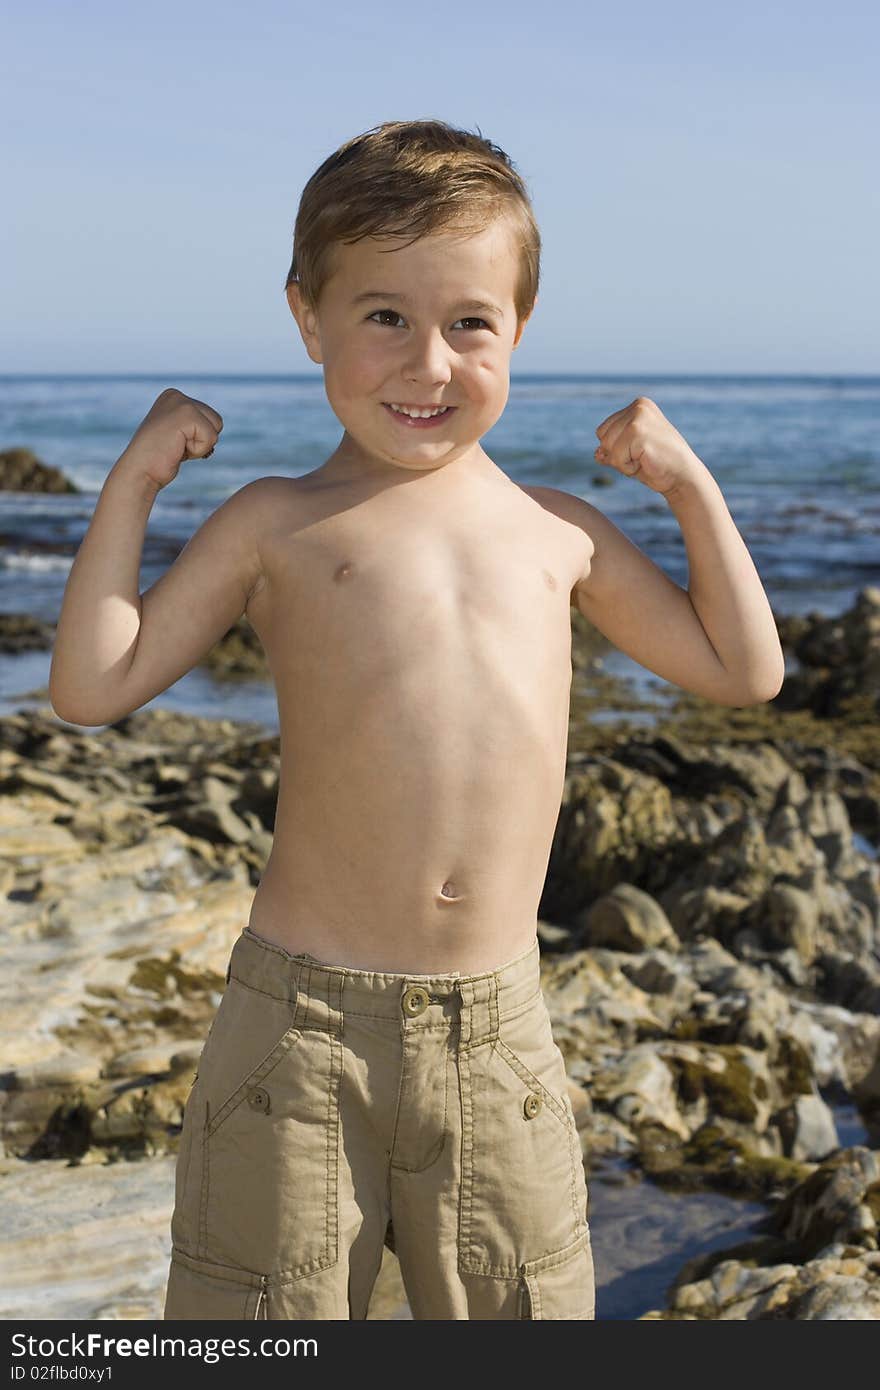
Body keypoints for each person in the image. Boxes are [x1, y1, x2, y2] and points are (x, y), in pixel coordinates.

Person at [48, 118, 785, 1321]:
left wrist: (688, 483)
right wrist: (134, 481)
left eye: (469, 323)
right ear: (307, 320)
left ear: (520, 328)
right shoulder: (274, 523)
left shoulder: (563, 535)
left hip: (497, 1033)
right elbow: (91, 686)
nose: (427, 363)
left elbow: (741, 669)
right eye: (383, 316)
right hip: (299, 1027)